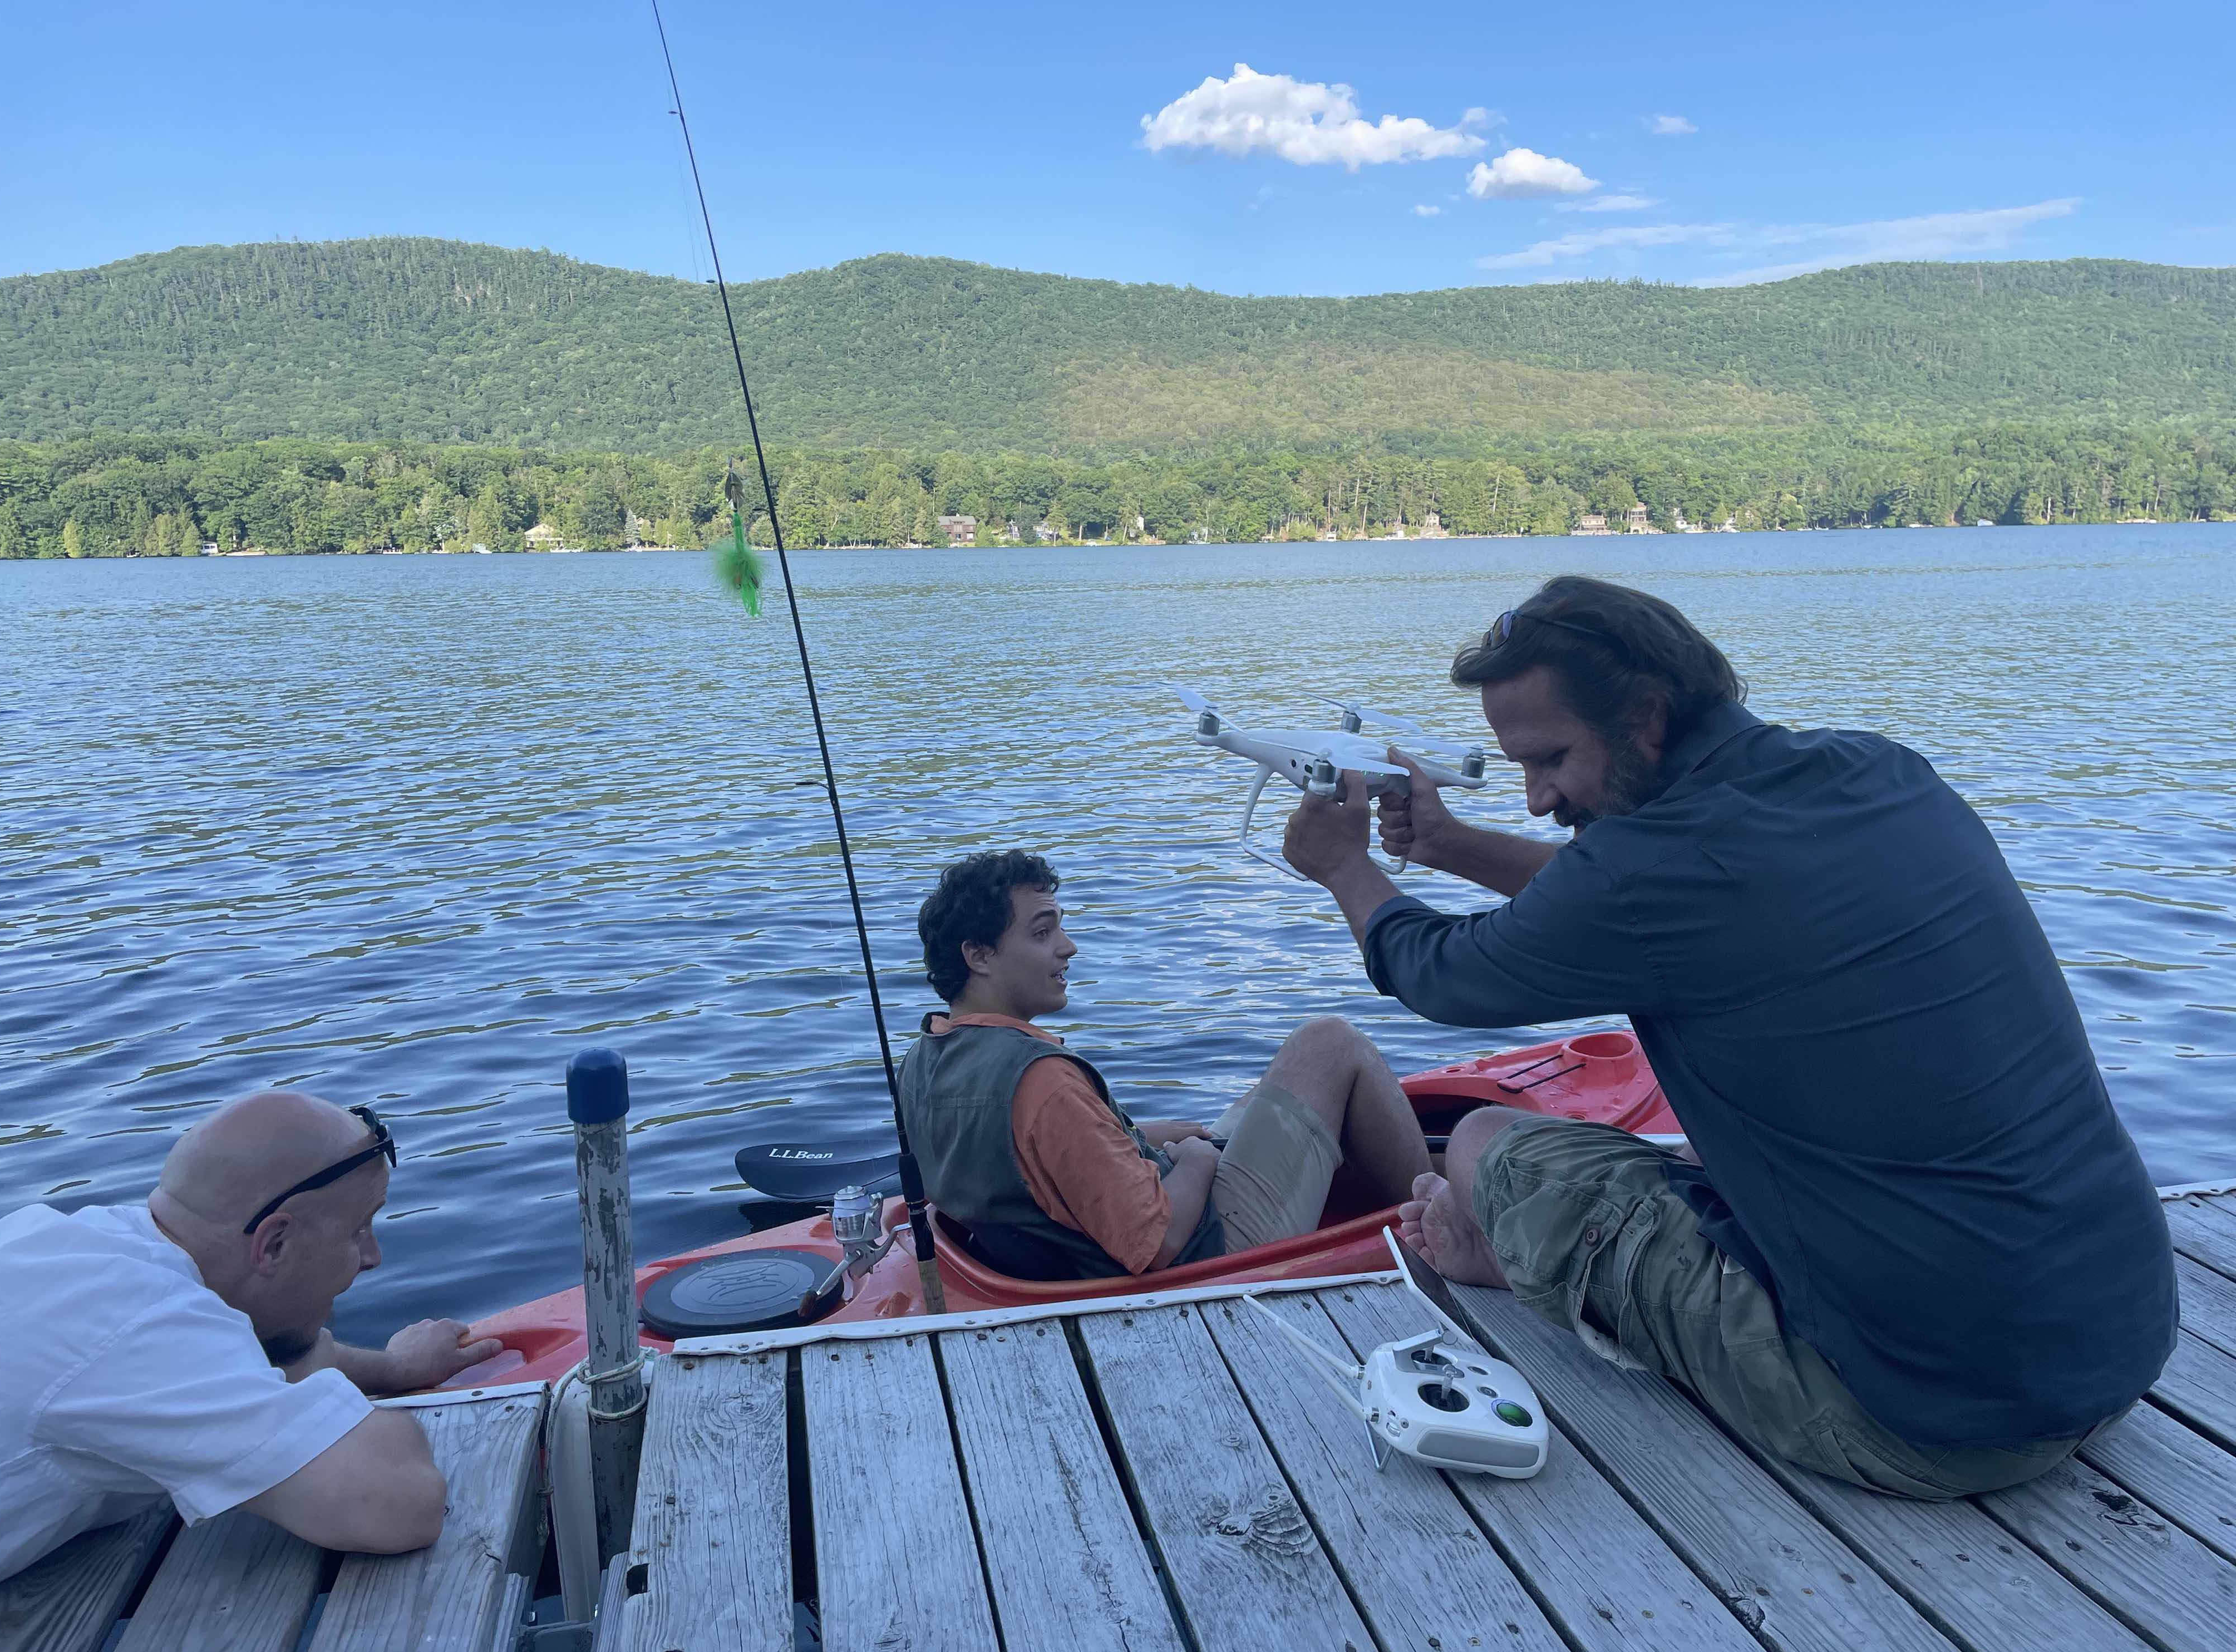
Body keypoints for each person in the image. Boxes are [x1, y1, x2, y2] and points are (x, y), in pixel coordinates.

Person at [1279, 574, 2176, 1501]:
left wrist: (1347, 868)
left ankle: (1519, 1256)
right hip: (2115, 1346)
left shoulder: (1656, 869)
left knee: (1485, 1145)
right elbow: (1623, 898)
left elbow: (1440, 971)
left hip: (1929, 1416)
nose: (1538, 797)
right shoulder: (1876, 772)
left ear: (1646, 716)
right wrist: (1449, 845)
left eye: (1550, 758)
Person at [0, 1091, 504, 1583]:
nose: (372, 1257)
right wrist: (322, 1393)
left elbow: (235, 1359)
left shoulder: (75, 1244)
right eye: (357, 1231)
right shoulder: (139, 1326)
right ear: (274, 1244)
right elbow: (397, 1504)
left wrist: (392, 1370)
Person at [897, 850, 1431, 1280]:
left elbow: (1020, 1158)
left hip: (1069, 1247)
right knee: (1331, 1043)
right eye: (1042, 933)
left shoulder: (924, 1059)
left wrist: (1138, 1132)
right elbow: (1158, 1245)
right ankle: (1437, 1219)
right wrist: (1196, 1160)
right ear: (980, 956)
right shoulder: (1042, 1081)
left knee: (1272, 1092)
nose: (1069, 947)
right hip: (1211, 1253)